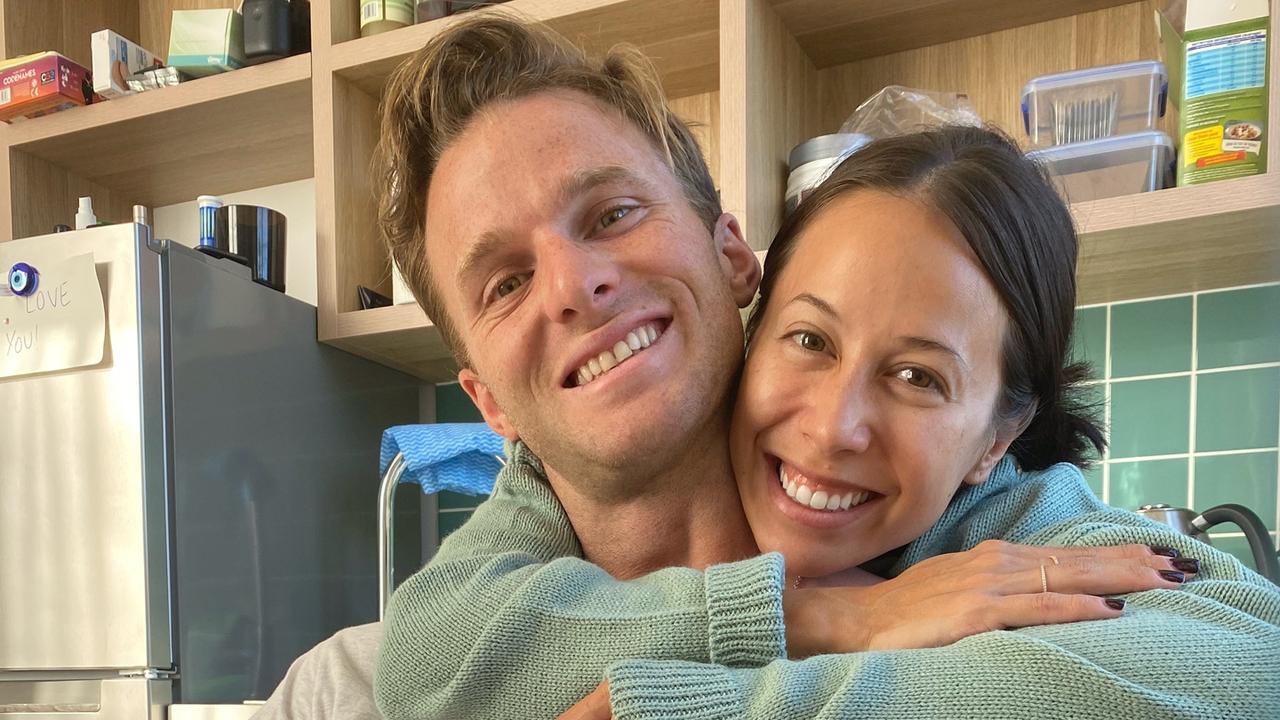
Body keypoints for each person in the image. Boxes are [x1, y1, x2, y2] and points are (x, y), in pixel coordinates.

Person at [369, 12, 1225, 720]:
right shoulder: (467, 608)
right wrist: (833, 616)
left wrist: (677, 706)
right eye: (506, 282)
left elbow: (1236, 659)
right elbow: (421, 662)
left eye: (613, 213)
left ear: (734, 253)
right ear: (489, 404)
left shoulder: (974, 520)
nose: (573, 286)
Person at [559, 126, 1280, 718]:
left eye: (918, 378)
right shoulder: (600, 481)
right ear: (753, 333)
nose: (835, 427)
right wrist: (844, 618)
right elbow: (455, 645)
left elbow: (1255, 665)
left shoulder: (1030, 527)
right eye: (810, 340)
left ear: (996, 437)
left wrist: (708, 707)